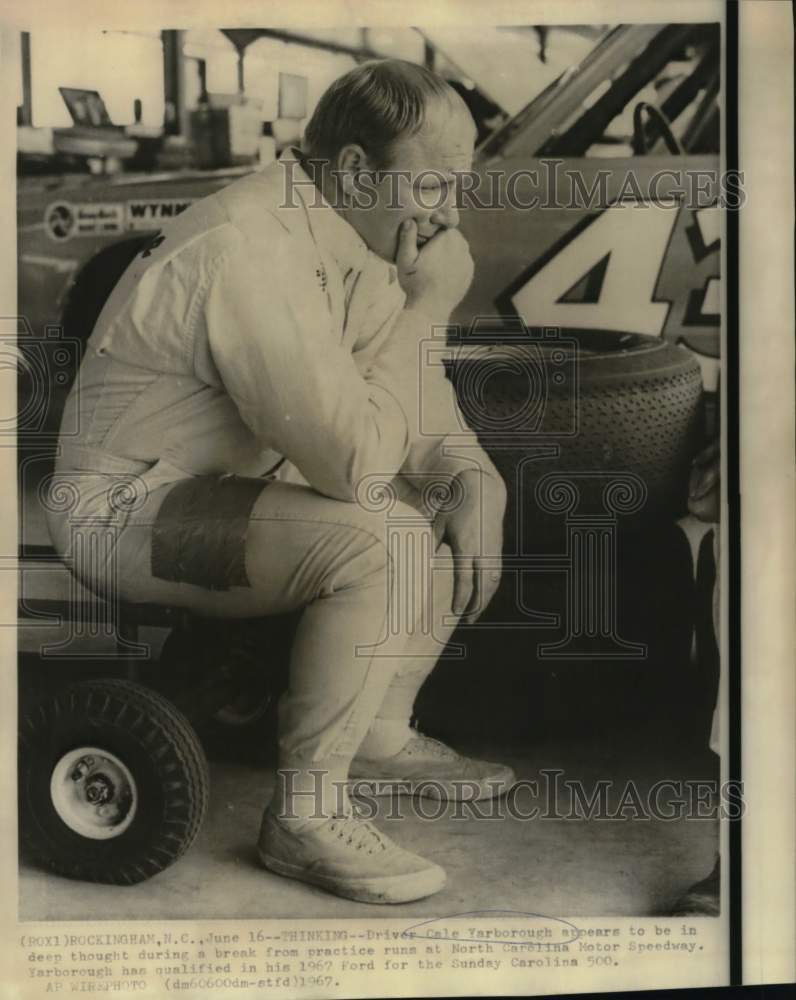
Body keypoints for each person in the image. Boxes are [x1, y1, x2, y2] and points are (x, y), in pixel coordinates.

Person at [47, 60, 512, 905]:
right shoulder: (253, 245)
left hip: (231, 488)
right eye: (435, 184)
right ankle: (304, 818)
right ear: (358, 171)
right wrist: (429, 308)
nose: (449, 213)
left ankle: (377, 733)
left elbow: (415, 412)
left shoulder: (352, 229)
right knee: (382, 540)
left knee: (440, 502)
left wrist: (473, 479)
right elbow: (355, 460)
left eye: (459, 185)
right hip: (131, 509)